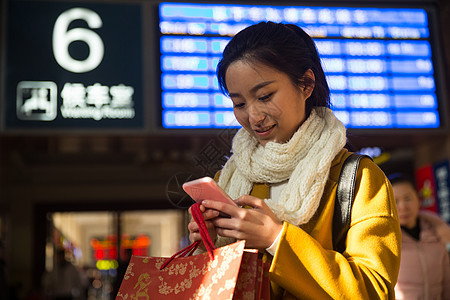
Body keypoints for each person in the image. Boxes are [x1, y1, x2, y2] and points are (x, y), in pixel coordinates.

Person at [187, 21, 401, 299]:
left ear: (306, 84)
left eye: (265, 96)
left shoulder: (359, 178)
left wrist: (276, 239)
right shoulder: (227, 179)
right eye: (239, 103)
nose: (253, 117)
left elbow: (374, 290)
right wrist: (207, 242)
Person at [388, 173, 450, 300]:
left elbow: (447, 281)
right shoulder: (386, 241)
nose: (403, 207)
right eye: (395, 201)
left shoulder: (438, 232)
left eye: (407, 198)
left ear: (418, 199)